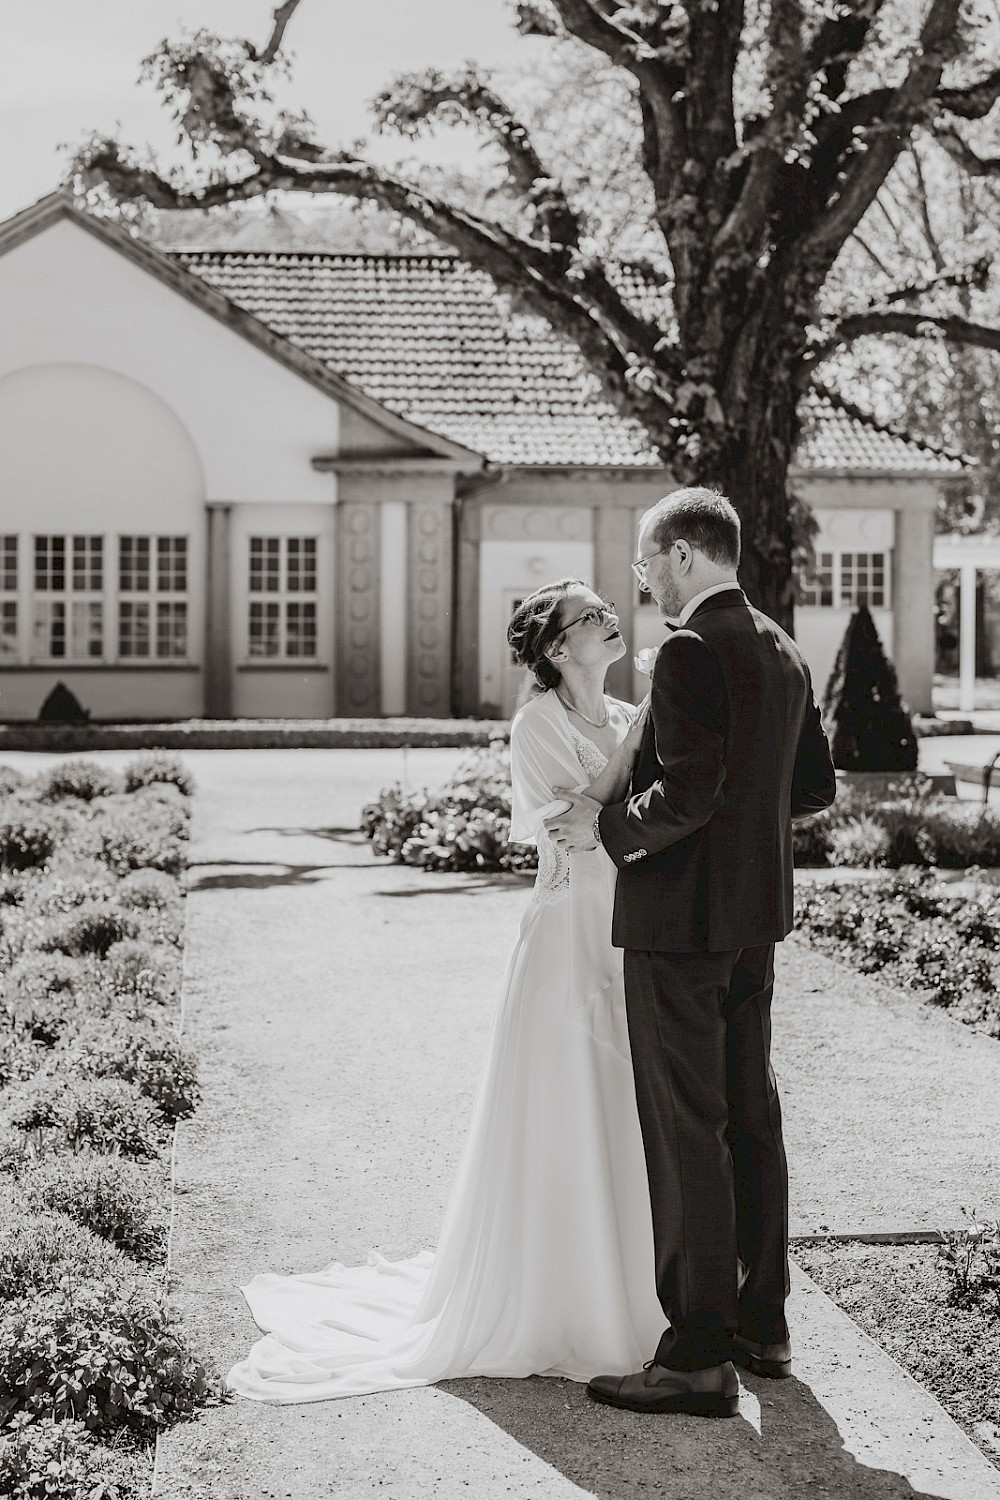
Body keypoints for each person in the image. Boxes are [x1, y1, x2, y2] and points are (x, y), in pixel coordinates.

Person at [226, 579, 666, 1403]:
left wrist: (643, 729)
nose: (609, 616)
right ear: (557, 648)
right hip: (567, 934)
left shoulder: (626, 712)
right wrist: (642, 730)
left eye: (607, 606)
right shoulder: (538, 724)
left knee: (627, 1104)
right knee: (568, 1102)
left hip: (627, 929)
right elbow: (577, 812)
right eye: (589, 615)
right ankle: (563, 1295)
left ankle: (635, 1281)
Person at [545, 487, 837, 1417]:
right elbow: (812, 788)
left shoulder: (687, 651)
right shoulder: (783, 646)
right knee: (752, 1115)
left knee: (686, 1132)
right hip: (755, 922)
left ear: (680, 557)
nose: (642, 581)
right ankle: (764, 1325)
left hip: (678, 930)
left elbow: (688, 791)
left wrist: (609, 827)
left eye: (644, 563)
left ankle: (697, 1353)